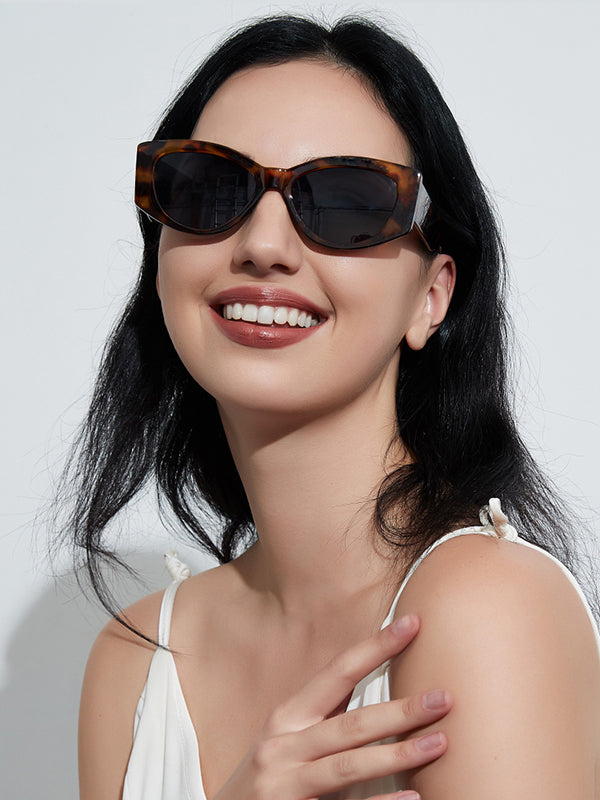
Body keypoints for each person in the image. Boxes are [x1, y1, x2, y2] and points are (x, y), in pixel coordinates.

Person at [65, 14, 600, 800]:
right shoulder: (135, 660)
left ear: (431, 297)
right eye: (211, 188)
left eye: (346, 202)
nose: (263, 245)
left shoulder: (488, 609)